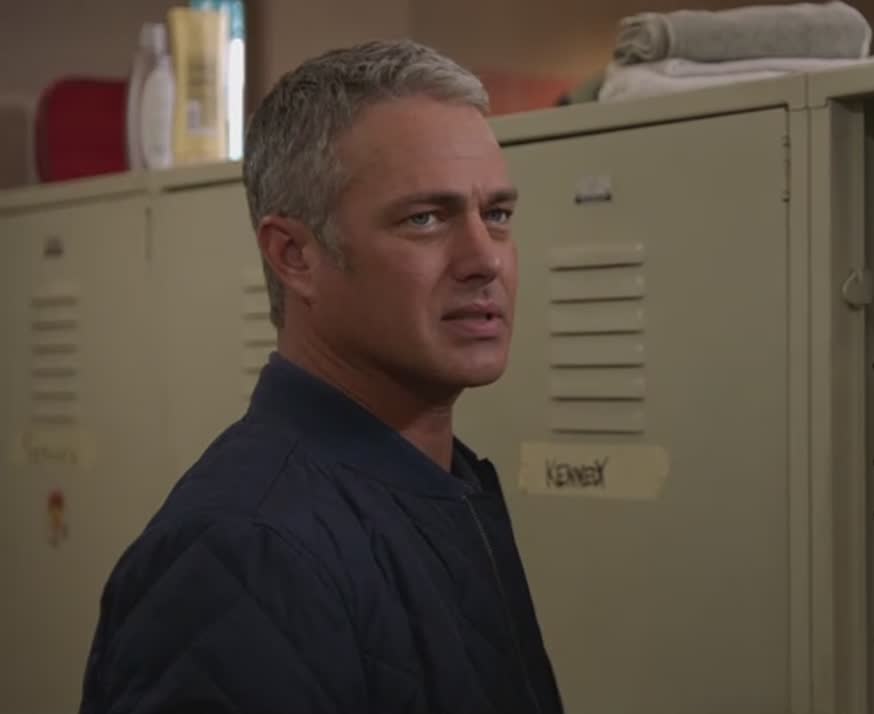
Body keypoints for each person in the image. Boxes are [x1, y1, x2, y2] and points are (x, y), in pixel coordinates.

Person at [79, 39, 563, 714]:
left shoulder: (440, 487)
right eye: (425, 218)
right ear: (294, 256)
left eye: (498, 215)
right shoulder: (246, 550)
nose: (486, 259)